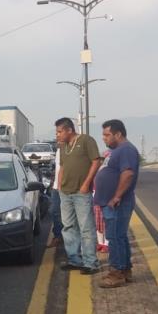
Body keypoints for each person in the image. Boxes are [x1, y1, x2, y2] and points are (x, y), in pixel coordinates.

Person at [94, 119, 140, 288]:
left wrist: (116, 197)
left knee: (114, 237)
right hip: (112, 202)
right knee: (119, 237)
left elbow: (127, 174)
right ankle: (125, 270)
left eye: (107, 135)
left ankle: (117, 273)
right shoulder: (118, 150)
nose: (104, 138)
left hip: (117, 203)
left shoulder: (126, 150)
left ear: (118, 134)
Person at [55, 117, 102, 274]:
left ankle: (91, 263)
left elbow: (96, 161)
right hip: (65, 193)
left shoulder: (86, 140)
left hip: (81, 193)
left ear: (69, 130)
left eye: (60, 131)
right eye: (57, 132)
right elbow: (62, 166)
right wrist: (59, 185)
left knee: (86, 227)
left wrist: (86, 184)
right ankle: (74, 259)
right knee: (68, 226)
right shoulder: (63, 146)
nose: (58, 135)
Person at [47, 140, 63, 248]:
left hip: (65, 187)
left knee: (69, 215)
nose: (57, 138)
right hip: (56, 187)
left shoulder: (69, 151)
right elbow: (58, 168)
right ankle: (57, 236)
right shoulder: (58, 151)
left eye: (60, 133)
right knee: (54, 211)